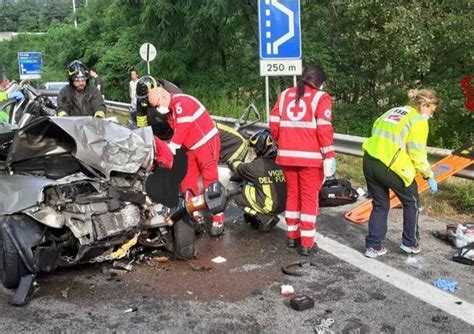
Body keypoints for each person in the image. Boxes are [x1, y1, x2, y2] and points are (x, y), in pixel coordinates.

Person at [135, 75, 225, 236]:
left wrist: (171, 148)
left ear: (163, 96)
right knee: (187, 181)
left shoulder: (181, 102)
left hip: (206, 142)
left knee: (210, 179)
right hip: (191, 147)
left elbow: (182, 129)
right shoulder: (169, 111)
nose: (156, 109)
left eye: (157, 105)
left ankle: (218, 218)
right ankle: (196, 215)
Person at [362, 89, 439, 258]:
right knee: (412, 203)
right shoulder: (418, 120)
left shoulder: (393, 111)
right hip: (391, 165)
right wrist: (428, 175)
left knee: (380, 204)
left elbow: (375, 130)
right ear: (424, 105)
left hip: (369, 159)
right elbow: (417, 153)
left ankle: (373, 247)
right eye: (431, 110)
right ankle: (410, 243)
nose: (431, 115)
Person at [270, 65, 336, 256]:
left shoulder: (284, 95)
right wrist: (329, 155)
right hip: (311, 158)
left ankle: (292, 236)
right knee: (308, 198)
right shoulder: (321, 97)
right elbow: (324, 129)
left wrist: (281, 141)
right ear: (319, 82)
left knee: (292, 195)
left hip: (287, 155)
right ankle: (307, 242)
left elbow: (274, 125)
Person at [229, 129, 286, 232]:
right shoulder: (283, 161)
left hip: (270, 206)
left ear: (259, 149)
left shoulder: (256, 166)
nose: (253, 152)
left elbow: (236, 167)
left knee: (237, 195)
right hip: (284, 205)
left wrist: (233, 159)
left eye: (254, 149)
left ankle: (265, 218)